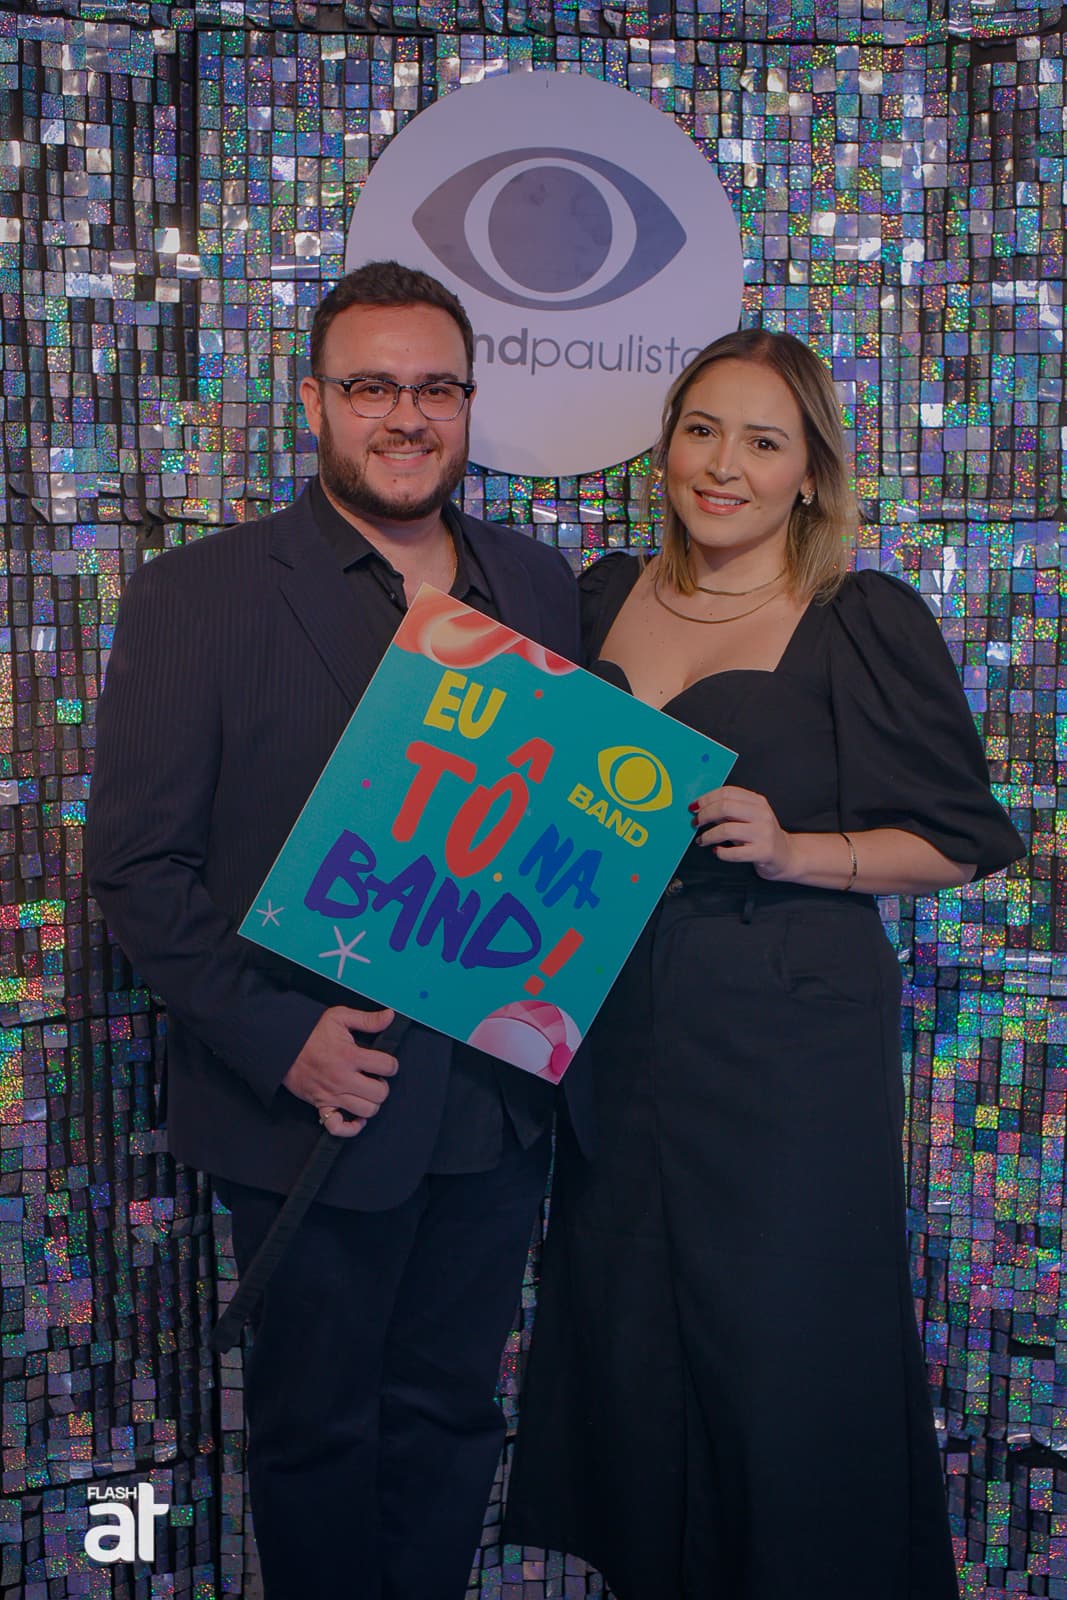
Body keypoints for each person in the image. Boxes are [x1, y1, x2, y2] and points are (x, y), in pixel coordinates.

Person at [85, 259, 592, 1600]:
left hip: (493, 1106)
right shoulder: (200, 594)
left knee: (453, 1420)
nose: (405, 415)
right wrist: (280, 1037)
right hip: (313, 1108)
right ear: (313, 402)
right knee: (313, 1434)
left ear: (468, 404)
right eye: (371, 386)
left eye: (435, 388)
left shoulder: (539, 586)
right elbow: (136, 868)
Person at [505, 328, 1024, 1599]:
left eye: (760, 440)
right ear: (664, 449)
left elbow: (957, 839)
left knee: (779, 1344)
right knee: (629, 1327)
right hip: (614, 1035)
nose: (721, 465)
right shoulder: (595, 596)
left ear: (808, 473)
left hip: (787, 1039)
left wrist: (799, 850)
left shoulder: (857, 617)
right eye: (700, 431)